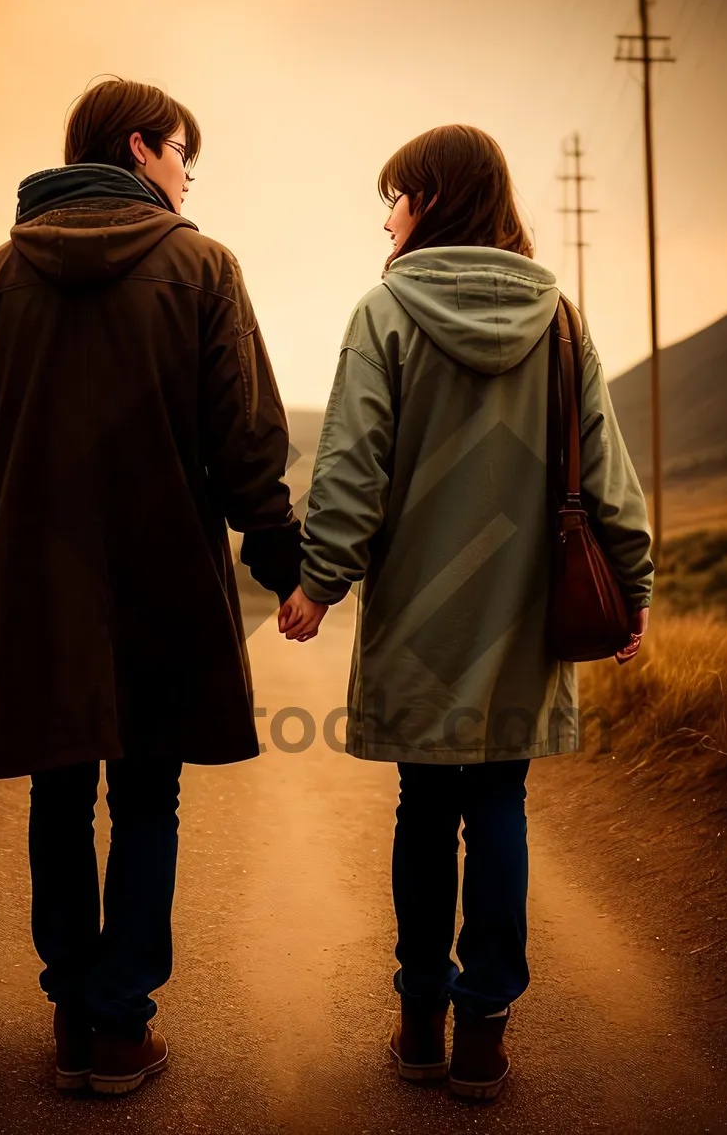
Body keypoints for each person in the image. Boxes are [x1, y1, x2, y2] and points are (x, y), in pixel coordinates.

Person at [0, 76, 302, 1096]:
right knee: (148, 797)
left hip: (36, 589)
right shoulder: (204, 268)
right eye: (185, 154)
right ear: (143, 148)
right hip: (166, 583)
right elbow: (247, 441)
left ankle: (68, 1018)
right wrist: (284, 565)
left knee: (60, 793)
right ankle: (122, 1029)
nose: (189, 176)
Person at [278, 124, 653, 1101]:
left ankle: (419, 1026)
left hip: (423, 622)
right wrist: (634, 587)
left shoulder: (384, 314)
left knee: (424, 808)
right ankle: (486, 1033)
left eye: (397, 196)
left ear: (434, 201)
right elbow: (609, 478)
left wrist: (320, 580)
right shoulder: (562, 321)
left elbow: (352, 467)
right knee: (500, 807)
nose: (389, 215)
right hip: (525, 620)